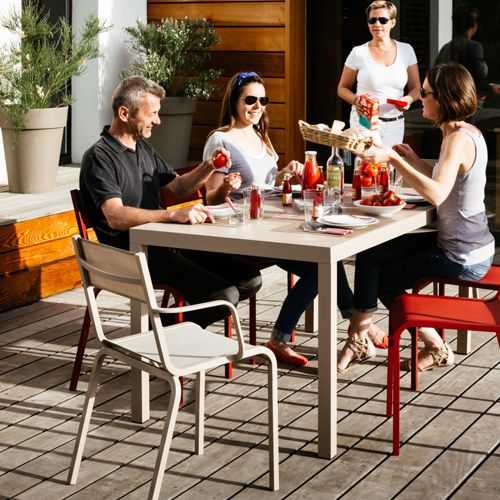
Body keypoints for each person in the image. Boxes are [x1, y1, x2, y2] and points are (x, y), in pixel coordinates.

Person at [203, 71, 385, 366]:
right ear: (234, 101)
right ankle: (287, 336)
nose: (257, 106)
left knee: (328, 256)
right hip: (241, 233)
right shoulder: (221, 140)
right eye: (250, 99)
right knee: (320, 266)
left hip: (271, 225)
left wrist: (286, 173)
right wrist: (226, 186)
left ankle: (349, 322)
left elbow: (266, 184)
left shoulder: (259, 135)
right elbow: (211, 199)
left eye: (263, 100)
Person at [337, 63, 495, 373]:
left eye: (425, 93)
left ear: (445, 97)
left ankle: (433, 346)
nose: (420, 97)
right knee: (370, 256)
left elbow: (436, 194)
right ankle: (358, 338)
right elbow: (447, 183)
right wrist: (414, 160)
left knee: (383, 280)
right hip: (466, 243)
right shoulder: (466, 133)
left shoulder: (457, 140)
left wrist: (395, 158)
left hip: (462, 255)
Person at [80, 75, 262, 328]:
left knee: (248, 278)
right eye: (152, 113)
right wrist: (170, 215)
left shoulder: (143, 148)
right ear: (124, 113)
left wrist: (208, 166)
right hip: (132, 255)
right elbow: (115, 216)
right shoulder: (99, 158)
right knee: (223, 296)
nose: (158, 120)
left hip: (164, 244)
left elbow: (179, 187)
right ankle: (164, 331)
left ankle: (167, 324)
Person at [337, 0, 420, 147]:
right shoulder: (358, 52)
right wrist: (357, 101)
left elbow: (416, 88)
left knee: (389, 167)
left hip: (395, 123)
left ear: (392, 23)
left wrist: (408, 99)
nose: (377, 24)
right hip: (364, 121)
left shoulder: (406, 50)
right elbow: (342, 88)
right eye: (372, 20)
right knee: (368, 166)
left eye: (383, 20)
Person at [434, 5, 488, 99]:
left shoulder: (445, 48)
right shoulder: (475, 47)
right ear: (473, 24)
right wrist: (490, 89)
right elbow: (477, 76)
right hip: (468, 101)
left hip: (448, 101)